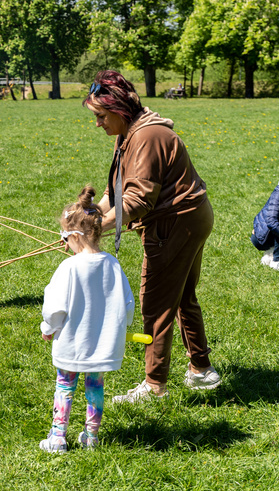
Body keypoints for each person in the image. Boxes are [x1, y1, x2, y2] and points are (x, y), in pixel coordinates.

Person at [85, 70, 221, 403]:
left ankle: (155, 385)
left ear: (118, 110)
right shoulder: (128, 134)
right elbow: (115, 191)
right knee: (181, 296)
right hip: (190, 218)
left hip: (175, 224)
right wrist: (89, 218)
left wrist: (91, 231)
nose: (97, 123)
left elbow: (137, 201)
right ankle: (201, 370)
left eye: (101, 116)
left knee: (156, 302)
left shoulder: (147, 137)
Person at [39, 186, 135, 454]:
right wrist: (122, 327)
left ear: (76, 236)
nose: (64, 243)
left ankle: (58, 436)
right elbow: (128, 304)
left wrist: (48, 329)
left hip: (72, 342)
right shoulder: (113, 265)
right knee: (95, 387)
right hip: (101, 344)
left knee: (65, 386)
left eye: (65, 238)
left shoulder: (68, 268)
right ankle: (91, 437)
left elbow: (54, 308)